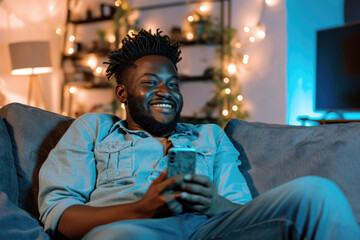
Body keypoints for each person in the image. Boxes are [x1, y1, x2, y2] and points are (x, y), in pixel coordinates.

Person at [38, 29, 360, 240]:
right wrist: (143, 208)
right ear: (122, 93)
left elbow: (241, 210)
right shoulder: (93, 129)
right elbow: (58, 215)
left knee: (318, 193)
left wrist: (215, 203)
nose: (166, 91)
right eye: (150, 83)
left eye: (173, 84)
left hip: (211, 229)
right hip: (132, 229)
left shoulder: (210, 137)